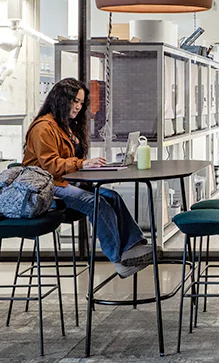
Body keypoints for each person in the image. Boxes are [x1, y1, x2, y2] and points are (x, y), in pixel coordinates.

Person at [22, 78, 153, 279]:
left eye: (81, 103)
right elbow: (51, 165)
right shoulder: (43, 128)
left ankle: (134, 246)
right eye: (74, 101)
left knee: (112, 197)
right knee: (96, 202)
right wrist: (82, 164)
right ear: (60, 99)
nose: (78, 106)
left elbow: (70, 162)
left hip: (64, 181)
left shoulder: (66, 126)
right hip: (46, 185)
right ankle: (119, 260)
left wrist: (89, 168)